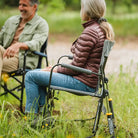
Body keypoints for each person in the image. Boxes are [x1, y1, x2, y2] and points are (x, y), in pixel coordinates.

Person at [25, 0, 114, 116]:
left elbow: (76, 67)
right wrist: (55, 69)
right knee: (38, 72)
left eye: (82, 7)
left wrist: (56, 69)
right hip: (89, 79)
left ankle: (31, 117)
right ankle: (43, 115)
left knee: (30, 76)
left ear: (87, 9)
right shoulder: (98, 28)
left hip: (83, 82)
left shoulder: (90, 32)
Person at [0, 0, 49, 80]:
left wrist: (19, 45)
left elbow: (36, 43)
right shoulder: (11, 20)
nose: (20, 8)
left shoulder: (41, 24)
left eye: (24, 5)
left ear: (34, 7)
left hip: (20, 59)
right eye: (19, 5)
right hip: (3, 53)